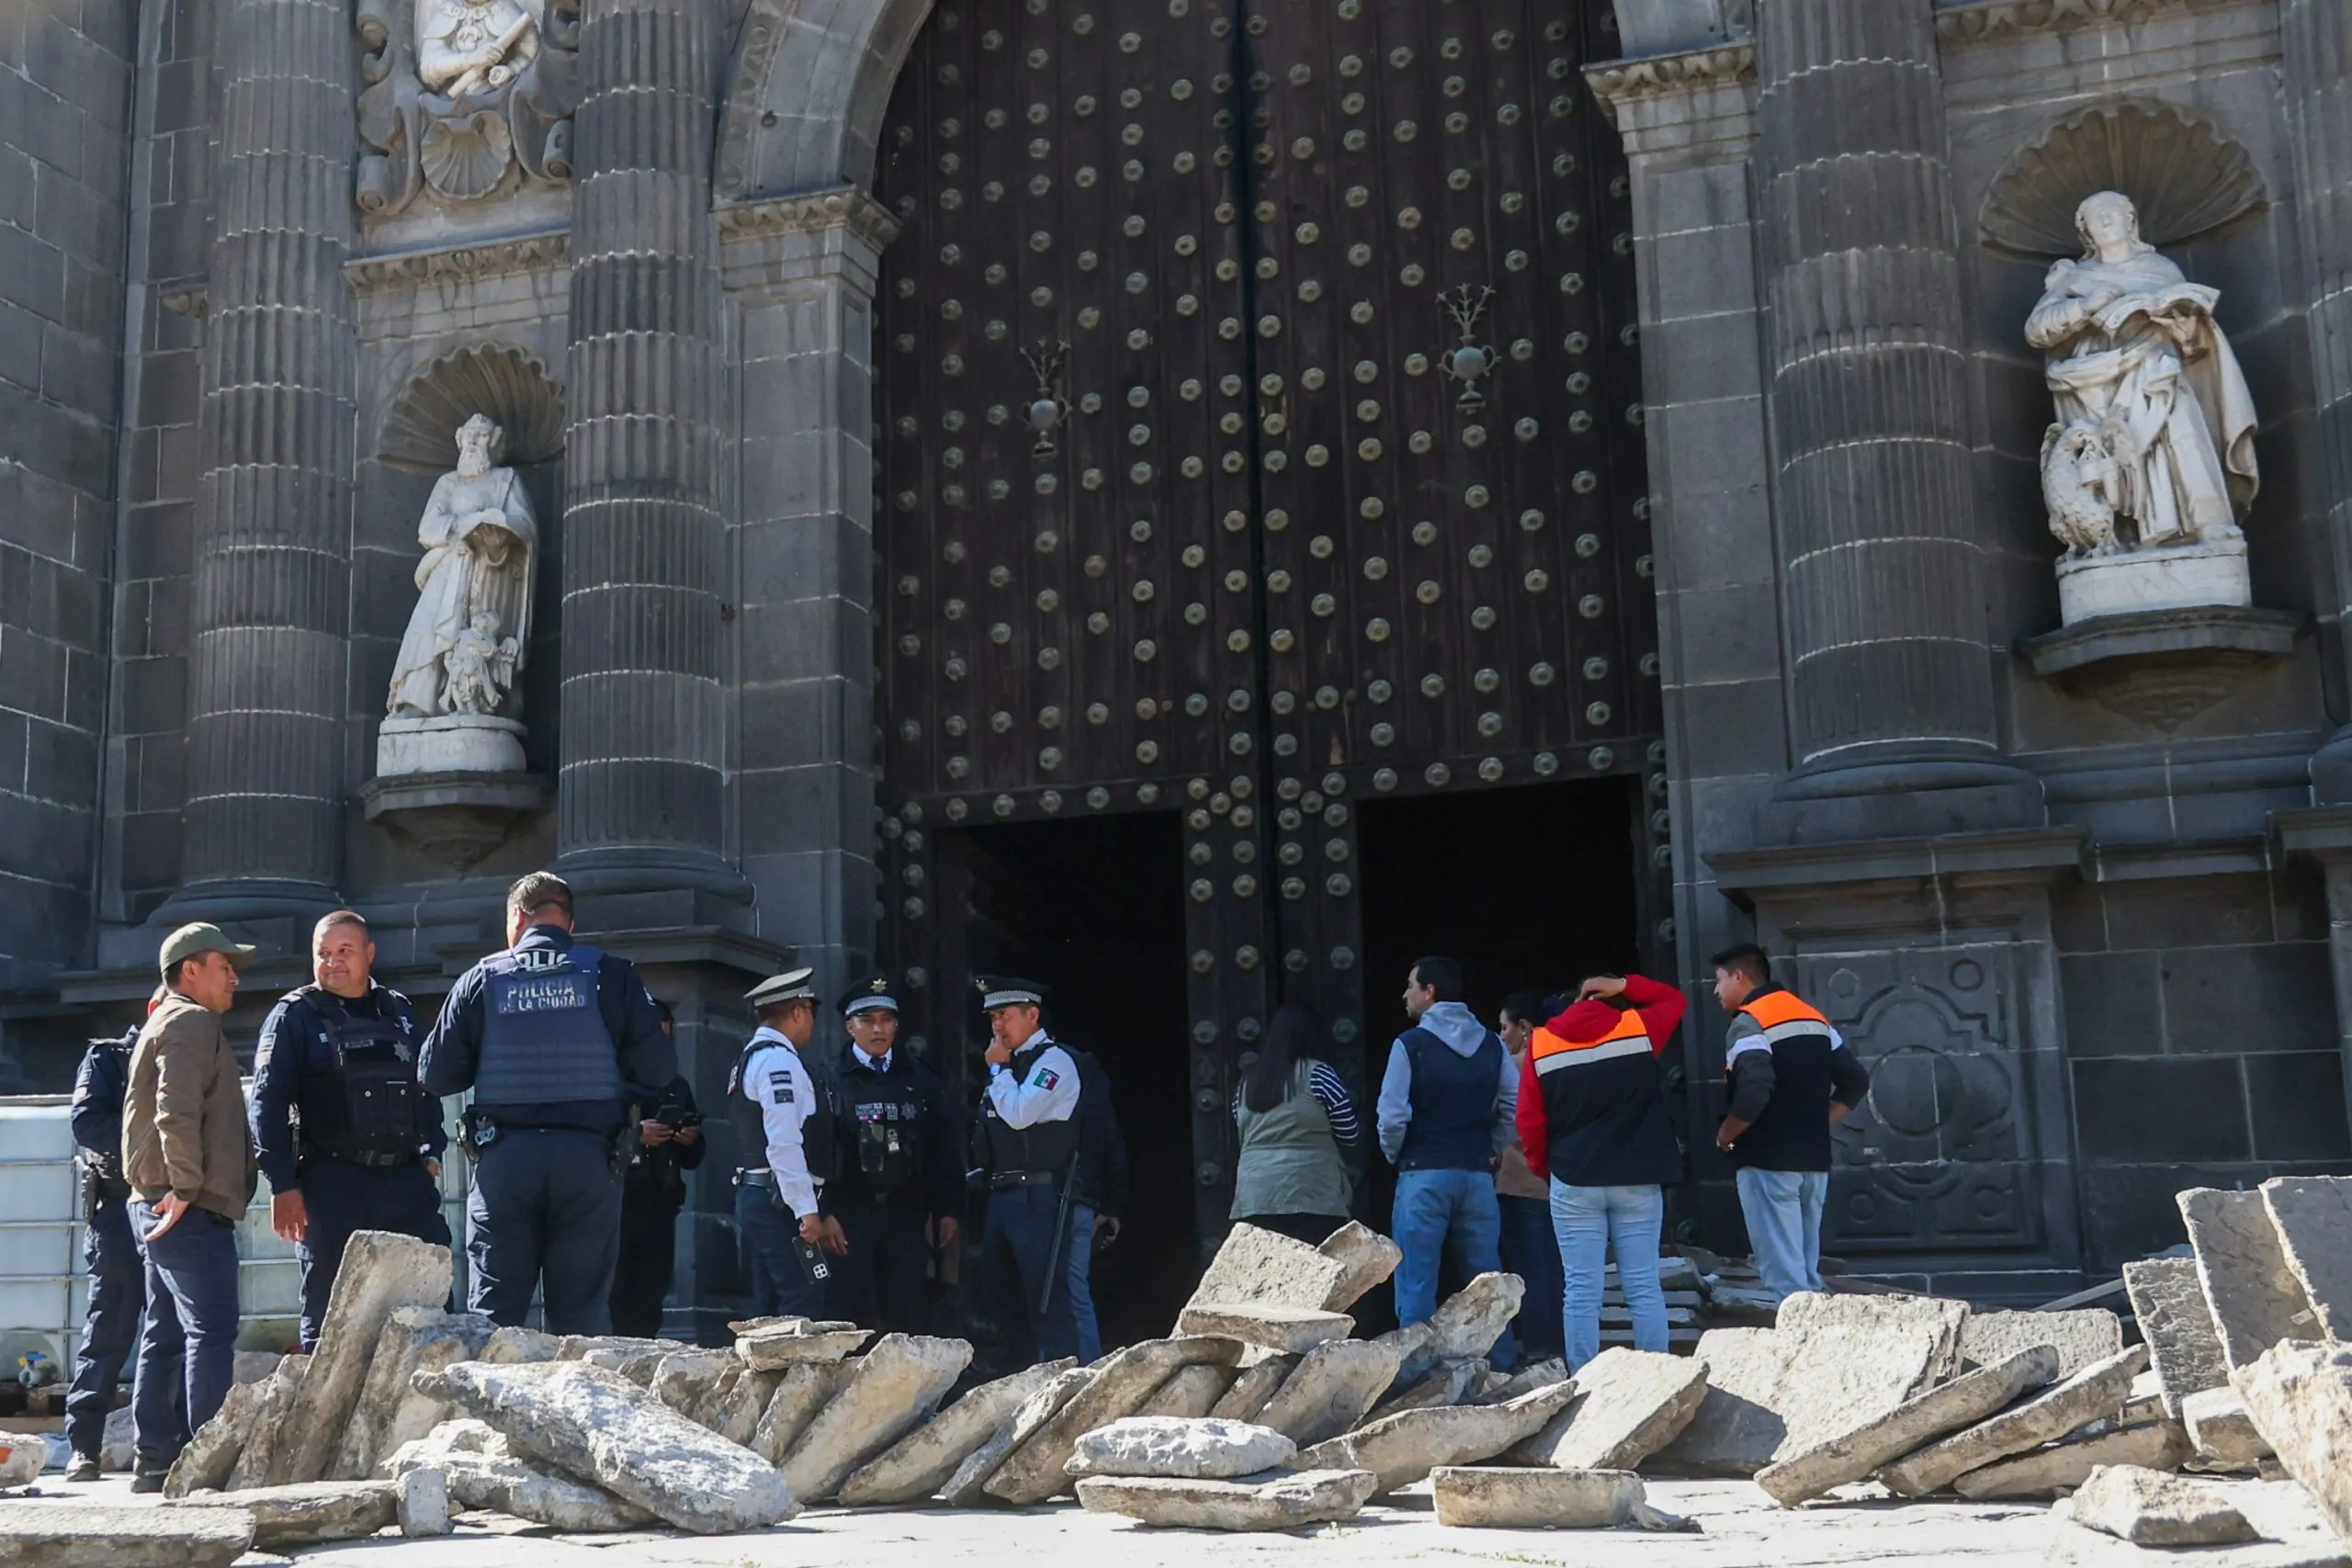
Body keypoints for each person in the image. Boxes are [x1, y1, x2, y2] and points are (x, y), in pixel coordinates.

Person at [419, 872, 674, 1333]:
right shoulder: (611, 975)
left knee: (494, 1320)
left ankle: (485, 1403)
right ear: (569, 924)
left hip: (505, 1163)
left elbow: (434, 1075)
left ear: (516, 917)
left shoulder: (481, 979)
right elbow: (657, 1072)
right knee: (581, 1319)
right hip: (589, 1161)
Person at [253, 911, 451, 1350]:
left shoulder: (398, 1012)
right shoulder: (294, 1017)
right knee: (329, 1320)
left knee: (432, 1307)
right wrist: (282, 1184)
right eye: (323, 953)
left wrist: (432, 1154)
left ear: (369, 955)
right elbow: (267, 1104)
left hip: (405, 1182)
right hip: (332, 1184)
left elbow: (426, 1086)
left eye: (344, 951)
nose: (333, 962)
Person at [123, 923, 259, 1491]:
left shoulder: (167, 1020)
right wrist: (184, 1186)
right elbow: (173, 1107)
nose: (234, 975)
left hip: (156, 1201)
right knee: (210, 1329)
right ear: (188, 971)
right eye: (221, 964)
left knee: (167, 1331)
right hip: (185, 1206)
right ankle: (206, 1466)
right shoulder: (190, 1021)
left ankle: (154, 1458)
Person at [1513, 975, 1687, 1371]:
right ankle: (1658, 1377)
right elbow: (1674, 1000)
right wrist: (1624, 984)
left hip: (1574, 1179)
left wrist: (1546, 1171)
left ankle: (1585, 1383)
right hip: (1637, 1177)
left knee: (1580, 1291)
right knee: (1643, 1287)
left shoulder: (1541, 1043)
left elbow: (1529, 1123)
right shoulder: (1637, 1028)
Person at [1376, 955, 1520, 1367]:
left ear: (1430, 992)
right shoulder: (1493, 1045)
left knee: (1417, 1279)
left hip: (1423, 1173)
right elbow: (1512, 1105)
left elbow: (1392, 1115)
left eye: (1410, 985)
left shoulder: (1410, 1045)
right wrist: (1492, 1145)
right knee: (1487, 1281)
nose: (1406, 994)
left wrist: (1396, 1152)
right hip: (1476, 1174)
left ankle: (1414, 1373)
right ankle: (1502, 1364)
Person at [1709, 944, 1871, 1303]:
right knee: (1807, 1277)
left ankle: (1803, 1352)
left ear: (1739, 976)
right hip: (1813, 1162)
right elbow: (1856, 1081)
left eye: (1718, 980)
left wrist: (1726, 1135)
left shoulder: (1749, 1021)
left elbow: (1753, 1090)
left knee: (1787, 1285)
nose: (1716, 990)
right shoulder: (1813, 1017)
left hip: (1767, 1161)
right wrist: (1816, 1123)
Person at [825, 974, 959, 1334]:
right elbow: (818, 1149)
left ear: (897, 1025)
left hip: (905, 1212)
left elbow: (942, 1146)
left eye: (886, 1020)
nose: (878, 1029)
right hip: (850, 1212)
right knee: (846, 1313)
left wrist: (947, 1209)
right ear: (849, 1026)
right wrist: (825, 1211)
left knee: (907, 1311)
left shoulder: (920, 1079)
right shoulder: (829, 1078)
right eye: (867, 1021)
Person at [971, 976, 1087, 1366]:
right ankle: (1019, 1373)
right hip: (1003, 1195)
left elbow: (1020, 1114)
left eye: (1004, 1016)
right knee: (1000, 1296)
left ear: (1032, 1015)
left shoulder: (1053, 1062)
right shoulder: (1009, 1063)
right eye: (992, 1019)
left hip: (1038, 1197)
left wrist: (999, 1072)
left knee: (1046, 1297)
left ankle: (1063, 1379)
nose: (997, 1027)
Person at [729, 968, 842, 1319]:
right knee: (804, 1293)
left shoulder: (751, 1057)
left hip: (764, 1197)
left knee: (771, 1303)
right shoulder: (779, 1061)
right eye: (809, 1012)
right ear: (798, 1012)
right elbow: (784, 1141)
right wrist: (806, 1210)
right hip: (778, 1202)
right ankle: (794, 1373)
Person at [63, 1017, 148, 1481]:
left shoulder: (194, 1052)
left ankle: (165, 1445)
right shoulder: (109, 1057)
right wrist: (152, 1132)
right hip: (118, 1206)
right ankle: (84, 1446)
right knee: (108, 1328)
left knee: (174, 1332)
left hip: (178, 1206)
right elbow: (86, 1122)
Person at [608, 1001, 705, 1338]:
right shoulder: (609, 1083)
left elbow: (694, 1159)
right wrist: (636, 1136)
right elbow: (593, 1142)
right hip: (617, 1204)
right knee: (616, 1294)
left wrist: (688, 1137)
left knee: (651, 1294)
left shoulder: (675, 1085)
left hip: (660, 1202)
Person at [1230, 1001, 1361, 1247]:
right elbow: (1349, 1132)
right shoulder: (1321, 1075)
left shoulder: (1246, 1085)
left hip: (1255, 1196)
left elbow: (1240, 1129)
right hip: (1312, 1194)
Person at [1492, 993, 1565, 1366]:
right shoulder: (1561, 1063)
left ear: (1524, 1028)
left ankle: (1535, 1347)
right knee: (1557, 1269)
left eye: (1504, 1027)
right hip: (1559, 1181)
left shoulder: (1513, 1068)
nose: (1500, 1036)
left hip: (1519, 1181)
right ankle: (1559, 1344)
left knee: (1527, 1270)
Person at [1066, 1055, 1129, 1361]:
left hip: (1053, 1195)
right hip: (1084, 1196)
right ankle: (1087, 1364)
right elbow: (1111, 1144)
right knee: (1077, 1288)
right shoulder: (1091, 1077)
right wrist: (1112, 1205)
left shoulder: (1036, 1070)